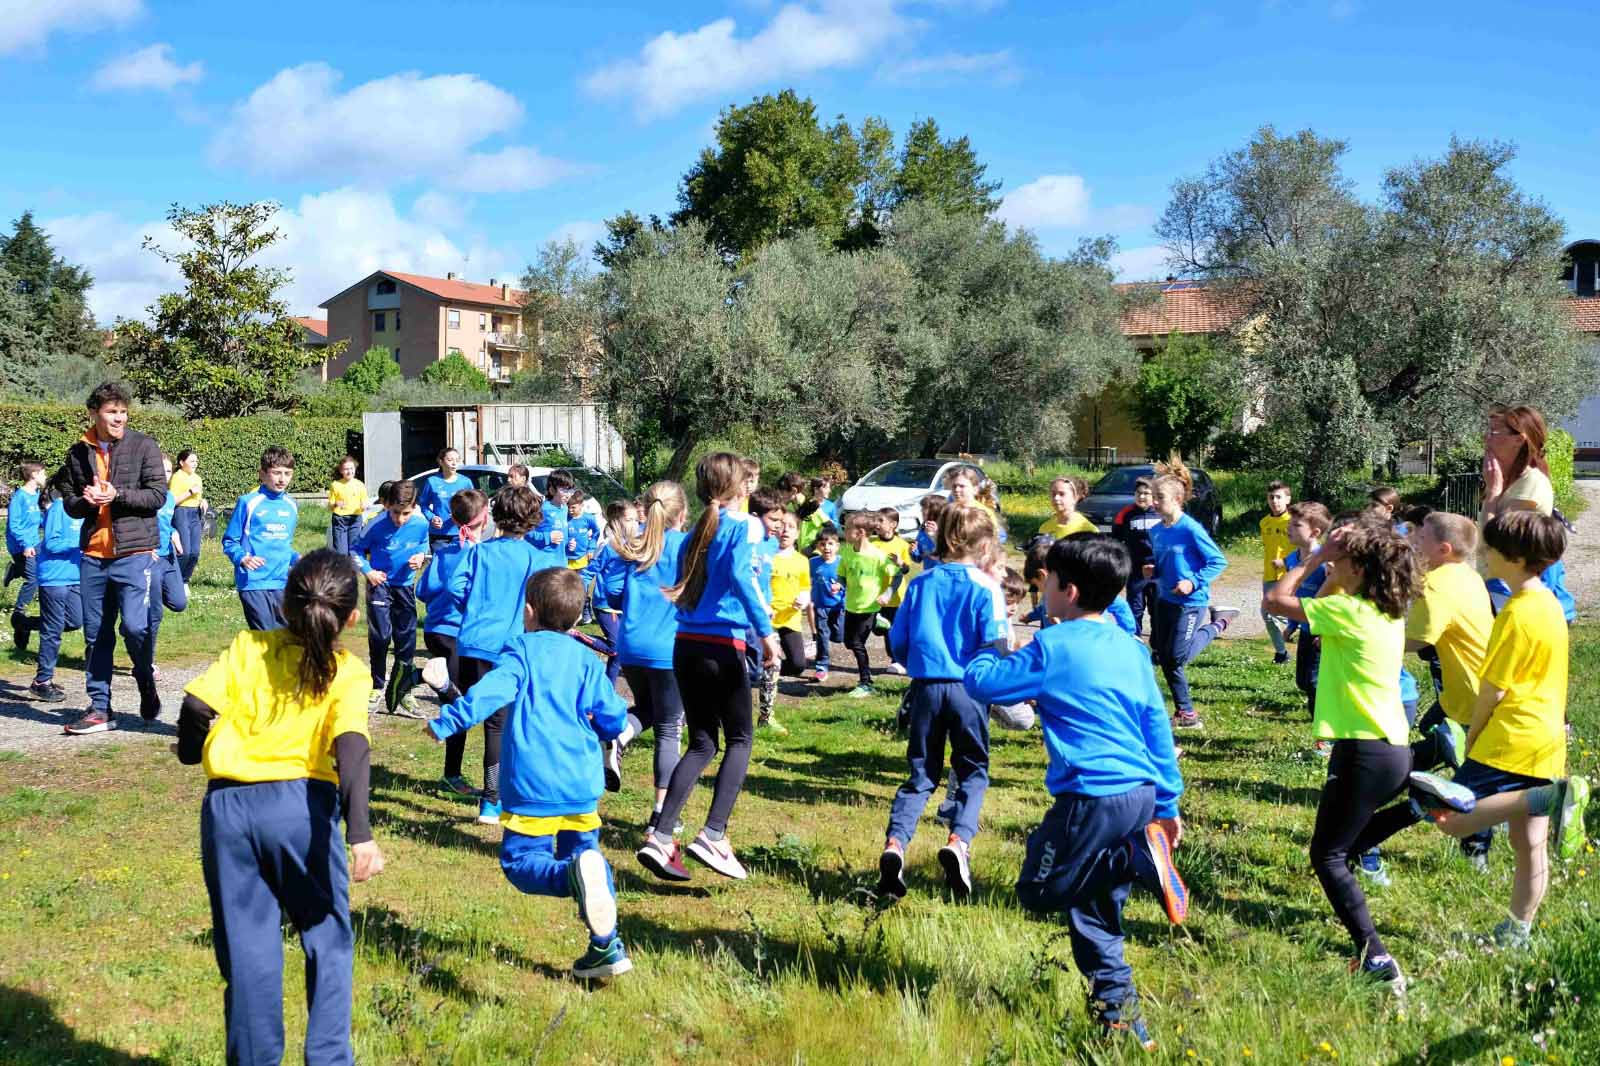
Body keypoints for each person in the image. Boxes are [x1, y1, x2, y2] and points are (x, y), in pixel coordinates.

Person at [964, 535, 1188, 1051]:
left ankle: (1132, 858)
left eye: (1045, 583)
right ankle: (1121, 1019)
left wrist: (989, 645)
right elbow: (1157, 725)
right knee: (1095, 910)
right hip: (1139, 796)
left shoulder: (1052, 645)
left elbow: (984, 684)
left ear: (1067, 589)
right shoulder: (1130, 649)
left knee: (1039, 890)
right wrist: (1167, 804)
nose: (1042, 592)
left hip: (1090, 799)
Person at [176, 550, 383, 1065]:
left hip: (228, 808)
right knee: (326, 935)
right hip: (299, 808)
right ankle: (329, 1057)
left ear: (285, 604)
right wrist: (360, 834)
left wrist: (186, 752)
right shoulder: (347, 672)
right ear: (351, 618)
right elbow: (352, 746)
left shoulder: (249, 647)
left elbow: (197, 706)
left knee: (248, 953)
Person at [424, 566, 633, 979]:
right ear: (576, 619)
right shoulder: (588, 660)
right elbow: (612, 714)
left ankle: (573, 879)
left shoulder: (520, 653)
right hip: (580, 785)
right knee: (587, 856)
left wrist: (445, 720)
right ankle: (605, 947)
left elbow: (488, 694)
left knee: (522, 864)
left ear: (529, 611)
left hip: (534, 786)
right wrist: (609, 731)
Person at [1409, 511, 1591, 947]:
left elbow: (1493, 687)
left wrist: (1475, 735)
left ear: (1512, 557)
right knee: (1530, 842)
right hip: (1545, 736)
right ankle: (1518, 931)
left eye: (1491, 550)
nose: (1485, 556)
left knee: (1452, 820)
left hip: (1510, 735)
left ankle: (1550, 796)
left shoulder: (1516, 612)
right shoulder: (1548, 602)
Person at [1263, 520, 1421, 991]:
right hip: (1391, 748)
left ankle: (1376, 957)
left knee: (1327, 856)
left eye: (1341, 560)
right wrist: (1336, 559)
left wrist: (1312, 558)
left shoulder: (1349, 614)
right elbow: (1330, 596)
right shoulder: (1382, 609)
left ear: (1361, 569)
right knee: (1346, 844)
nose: (1333, 563)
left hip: (1364, 752)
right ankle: (1415, 806)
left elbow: (1273, 601)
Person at [635, 452, 779, 884]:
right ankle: (714, 833)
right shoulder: (744, 525)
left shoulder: (698, 528)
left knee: (701, 743)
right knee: (739, 739)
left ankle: (661, 836)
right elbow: (742, 575)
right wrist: (767, 632)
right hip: (723, 645)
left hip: (685, 645)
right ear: (740, 486)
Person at [877, 504, 1009, 900]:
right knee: (972, 771)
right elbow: (999, 644)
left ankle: (895, 845)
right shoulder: (987, 587)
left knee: (921, 775)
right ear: (985, 544)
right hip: (969, 689)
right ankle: (958, 842)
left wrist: (916, 663)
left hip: (925, 688)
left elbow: (897, 642)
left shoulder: (921, 583)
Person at [58, 381, 168, 735]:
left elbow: (157, 496)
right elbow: (71, 503)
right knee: (96, 635)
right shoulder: (78, 453)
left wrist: (116, 494)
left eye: (123, 411)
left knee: (136, 627)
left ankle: (144, 678)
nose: (119, 418)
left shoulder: (144, 445)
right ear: (94, 413)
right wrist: (86, 501)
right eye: (111, 412)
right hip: (93, 556)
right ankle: (100, 708)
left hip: (134, 554)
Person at [450, 485, 546, 823]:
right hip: (510, 647)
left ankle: (497, 794)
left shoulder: (479, 553)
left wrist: (473, 607)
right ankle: (492, 801)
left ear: (497, 516)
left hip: (473, 642)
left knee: (490, 718)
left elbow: (454, 587)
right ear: (532, 520)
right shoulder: (536, 557)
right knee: (500, 725)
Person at [615, 480, 690, 826]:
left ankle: (619, 734)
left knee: (647, 709)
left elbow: (611, 591)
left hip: (630, 646)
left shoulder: (634, 547)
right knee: (669, 730)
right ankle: (662, 814)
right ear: (683, 513)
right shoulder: (687, 548)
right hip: (668, 650)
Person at [1146, 462, 1237, 729]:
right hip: (1165, 599)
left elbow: (1218, 561)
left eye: (1159, 497)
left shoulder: (1191, 529)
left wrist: (1193, 582)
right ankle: (1185, 713)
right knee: (1163, 655)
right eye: (1153, 496)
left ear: (1176, 499)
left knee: (1176, 657)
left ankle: (1218, 623)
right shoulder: (1157, 530)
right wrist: (1154, 570)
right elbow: (1167, 563)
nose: (1153, 502)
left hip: (1191, 603)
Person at [415, 488, 487, 795]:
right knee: (459, 702)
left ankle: (415, 676)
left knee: (457, 699)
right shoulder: (479, 555)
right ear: (482, 520)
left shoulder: (444, 551)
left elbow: (422, 591)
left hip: (434, 632)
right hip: (457, 634)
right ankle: (452, 775)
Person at [349, 480, 429, 714]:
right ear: (387, 506)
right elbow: (354, 550)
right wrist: (368, 571)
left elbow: (423, 545)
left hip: (404, 586)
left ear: (414, 507)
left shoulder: (421, 524)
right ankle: (377, 685)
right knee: (382, 636)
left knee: (406, 639)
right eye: (395, 512)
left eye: (405, 513)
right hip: (380, 584)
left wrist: (420, 556)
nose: (400, 519)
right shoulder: (375, 525)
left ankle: (404, 689)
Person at [222, 446, 300, 633]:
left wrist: (298, 559)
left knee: (286, 640)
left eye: (287, 474)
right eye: (276, 473)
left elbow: (282, 545)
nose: (282, 479)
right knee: (265, 638)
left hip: (282, 582)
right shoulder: (248, 502)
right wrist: (243, 558)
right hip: (254, 583)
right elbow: (229, 541)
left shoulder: (292, 505)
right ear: (262, 474)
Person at [29, 489, 84, 704]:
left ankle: (26, 623)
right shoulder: (59, 508)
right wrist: (80, 544)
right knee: (53, 631)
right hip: (54, 577)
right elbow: (51, 544)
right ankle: (42, 682)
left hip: (75, 577)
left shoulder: (83, 510)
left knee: (74, 621)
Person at [839, 512, 901, 698]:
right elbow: (841, 574)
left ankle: (866, 682)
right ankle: (878, 624)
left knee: (857, 644)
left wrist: (887, 593)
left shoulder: (877, 556)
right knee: (848, 642)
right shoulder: (848, 551)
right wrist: (839, 584)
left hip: (869, 606)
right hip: (851, 605)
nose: (844, 532)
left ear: (860, 533)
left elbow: (897, 574)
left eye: (847, 529)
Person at [1283, 502, 1332, 719]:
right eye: (1289, 523)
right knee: (1303, 681)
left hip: (1321, 631)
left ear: (1315, 532)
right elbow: (1294, 596)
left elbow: (1333, 598)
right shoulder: (1293, 559)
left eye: (1296, 525)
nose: (1289, 528)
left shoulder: (1325, 563)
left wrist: (1324, 630)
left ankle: (1322, 725)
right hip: (1304, 627)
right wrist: (1291, 624)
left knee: (1314, 680)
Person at [581, 500, 636, 688]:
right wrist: (577, 595)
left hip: (624, 605)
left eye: (636, 519)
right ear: (618, 521)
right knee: (616, 648)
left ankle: (608, 691)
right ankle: (575, 635)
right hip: (605, 604)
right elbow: (589, 571)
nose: (635, 524)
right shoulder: (609, 546)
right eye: (630, 519)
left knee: (620, 652)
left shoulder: (633, 544)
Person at [146, 454, 191, 679]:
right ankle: (148, 662)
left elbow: (169, 524)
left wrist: (174, 534)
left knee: (179, 602)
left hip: (169, 556)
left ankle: (135, 617)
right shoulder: (144, 497)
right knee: (155, 614)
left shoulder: (170, 498)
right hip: (150, 559)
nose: (162, 475)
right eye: (158, 470)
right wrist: (143, 547)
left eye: (166, 471)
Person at [1112, 477, 1160, 639]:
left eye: (1146, 493)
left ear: (1154, 496)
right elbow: (1115, 541)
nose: (1142, 497)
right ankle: (1135, 643)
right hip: (1135, 572)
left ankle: (1158, 648)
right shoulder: (1125, 514)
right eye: (1139, 493)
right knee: (1135, 610)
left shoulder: (1161, 513)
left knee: (1157, 610)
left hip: (1158, 571)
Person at [5, 460, 45, 649]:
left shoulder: (36, 495)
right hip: (21, 545)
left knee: (42, 574)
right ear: (34, 475)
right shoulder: (19, 497)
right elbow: (14, 525)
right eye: (43, 473)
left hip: (35, 542)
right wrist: (25, 544)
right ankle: (19, 613)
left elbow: (38, 520)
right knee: (33, 579)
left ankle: (15, 570)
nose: (45, 476)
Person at [770, 512, 812, 681]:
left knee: (798, 665)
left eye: (791, 527)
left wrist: (803, 599)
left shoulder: (802, 560)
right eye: (782, 526)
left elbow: (805, 587)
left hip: (789, 618)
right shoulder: (766, 556)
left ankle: (774, 668)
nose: (785, 531)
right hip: (766, 618)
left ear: (797, 533)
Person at [875, 507, 915, 676]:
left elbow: (907, 570)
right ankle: (896, 658)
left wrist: (901, 563)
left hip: (896, 597)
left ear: (893, 524)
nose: (876, 524)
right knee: (881, 629)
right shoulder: (871, 543)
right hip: (876, 596)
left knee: (895, 630)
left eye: (880, 520)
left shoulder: (902, 545)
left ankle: (897, 660)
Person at [1260, 480, 1294, 665]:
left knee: (1270, 611)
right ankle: (1281, 653)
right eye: (1271, 497)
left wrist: (1287, 563)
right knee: (1267, 614)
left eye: (1279, 497)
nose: (1275, 501)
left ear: (1288, 499)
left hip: (1290, 576)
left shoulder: (1294, 522)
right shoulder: (1264, 523)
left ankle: (1302, 626)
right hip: (1269, 575)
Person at [808, 526, 845, 684]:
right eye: (823, 544)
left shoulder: (842, 563)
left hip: (839, 606)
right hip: (820, 605)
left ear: (837, 546)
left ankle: (837, 636)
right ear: (818, 546)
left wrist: (841, 586)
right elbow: (805, 580)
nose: (826, 548)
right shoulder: (813, 563)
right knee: (822, 635)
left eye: (830, 544)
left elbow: (851, 581)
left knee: (839, 636)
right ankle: (822, 666)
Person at [419, 447, 470, 551]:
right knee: (440, 565)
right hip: (439, 534)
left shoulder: (466, 482)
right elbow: (423, 505)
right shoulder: (432, 482)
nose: (454, 463)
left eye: (457, 460)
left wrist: (462, 515)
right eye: (450, 460)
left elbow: (474, 505)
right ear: (441, 461)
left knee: (460, 566)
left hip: (461, 533)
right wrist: (432, 518)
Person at [169, 448, 206, 584]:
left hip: (195, 514)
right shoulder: (177, 477)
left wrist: (202, 501)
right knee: (184, 551)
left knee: (195, 552)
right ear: (181, 462)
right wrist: (190, 492)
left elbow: (198, 497)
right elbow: (172, 501)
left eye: (196, 461)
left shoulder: (197, 478)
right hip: (181, 513)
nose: (195, 463)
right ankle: (175, 580)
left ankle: (184, 581)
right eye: (192, 461)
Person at [326, 456, 366, 557]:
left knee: (354, 550)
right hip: (340, 520)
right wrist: (336, 504)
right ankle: (341, 570)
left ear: (355, 469)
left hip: (355, 520)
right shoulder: (335, 485)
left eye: (351, 468)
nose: (349, 471)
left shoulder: (360, 485)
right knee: (340, 551)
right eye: (346, 469)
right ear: (341, 471)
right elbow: (330, 506)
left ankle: (353, 571)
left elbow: (364, 504)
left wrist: (364, 506)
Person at [911, 495, 945, 572]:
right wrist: (914, 551)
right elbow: (919, 558)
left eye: (924, 508)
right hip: (929, 573)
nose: (921, 511)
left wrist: (934, 535)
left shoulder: (947, 529)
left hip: (946, 574)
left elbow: (949, 553)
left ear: (936, 510)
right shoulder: (923, 529)